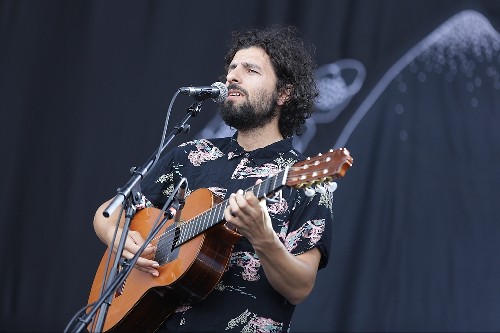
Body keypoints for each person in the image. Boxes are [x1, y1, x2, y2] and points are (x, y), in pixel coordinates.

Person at [93, 25, 334, 332]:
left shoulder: (305, 180)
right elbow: (107, 214)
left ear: (283, 94)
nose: (233, 75)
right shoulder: (191, 155)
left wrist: (263, 237)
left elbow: (300, 287)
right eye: (232, 68)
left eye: (250, 70)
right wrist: (120, 240)